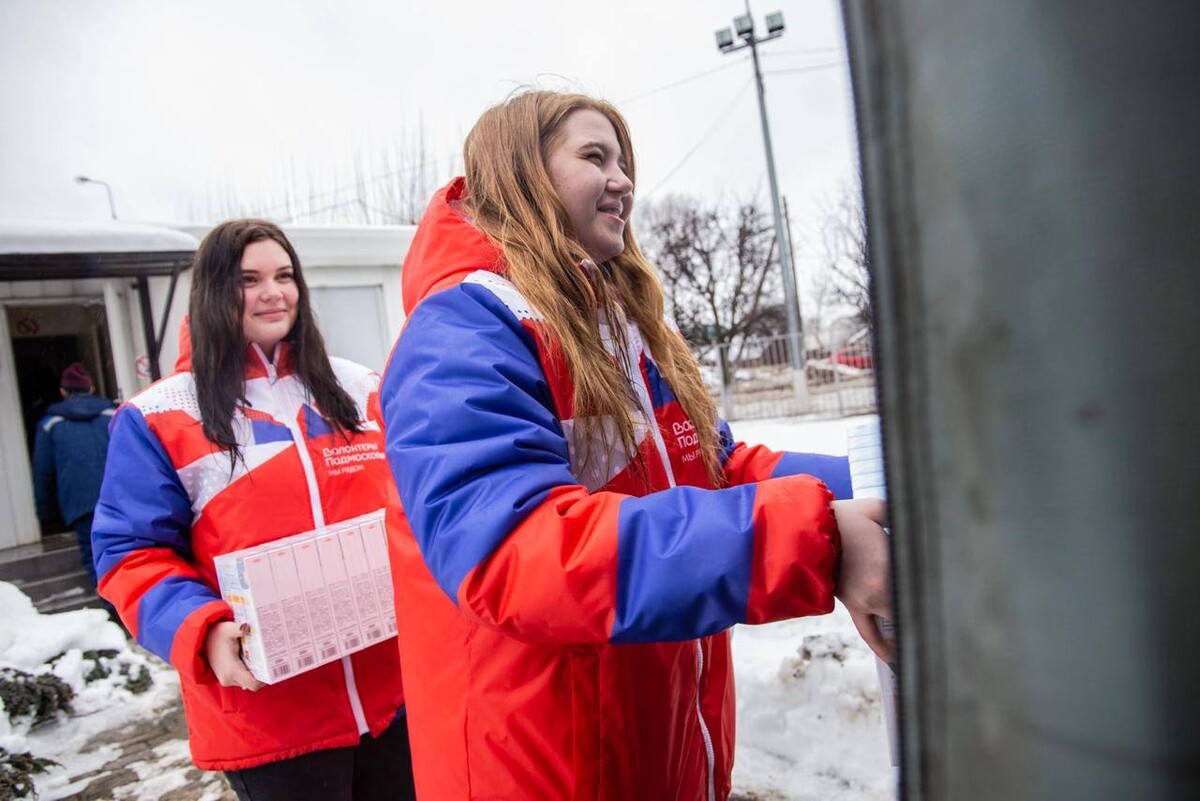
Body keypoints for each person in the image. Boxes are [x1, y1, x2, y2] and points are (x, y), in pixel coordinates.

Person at [380, 90, 893, 801]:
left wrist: (873, 482)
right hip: (540, 764)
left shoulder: (622, 325)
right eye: (596, 156)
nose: (623, 180)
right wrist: (811, 542)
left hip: (657, 740)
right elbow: (516, 548)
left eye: (624, 160)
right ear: (522, 170)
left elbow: (713, 466)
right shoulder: (462, 329)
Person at [92, 220, 415, 801]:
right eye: (249, 280)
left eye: (284, 275)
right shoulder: (161, 416)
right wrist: (203, 629)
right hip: (271, 716)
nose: (274, 292)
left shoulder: (359, 386)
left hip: (396, 700)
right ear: (214, 292)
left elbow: (410, 508)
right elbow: (130, 555)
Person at [32, 361, 116, 589]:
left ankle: (113, 611)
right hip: (119, 498)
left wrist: (45, 513)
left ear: (62, 391)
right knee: (126, 553)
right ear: (91, 388)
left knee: (94, 556)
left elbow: (43, 472)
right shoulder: (113, 416)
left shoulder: (50, 424)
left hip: (81, 504)